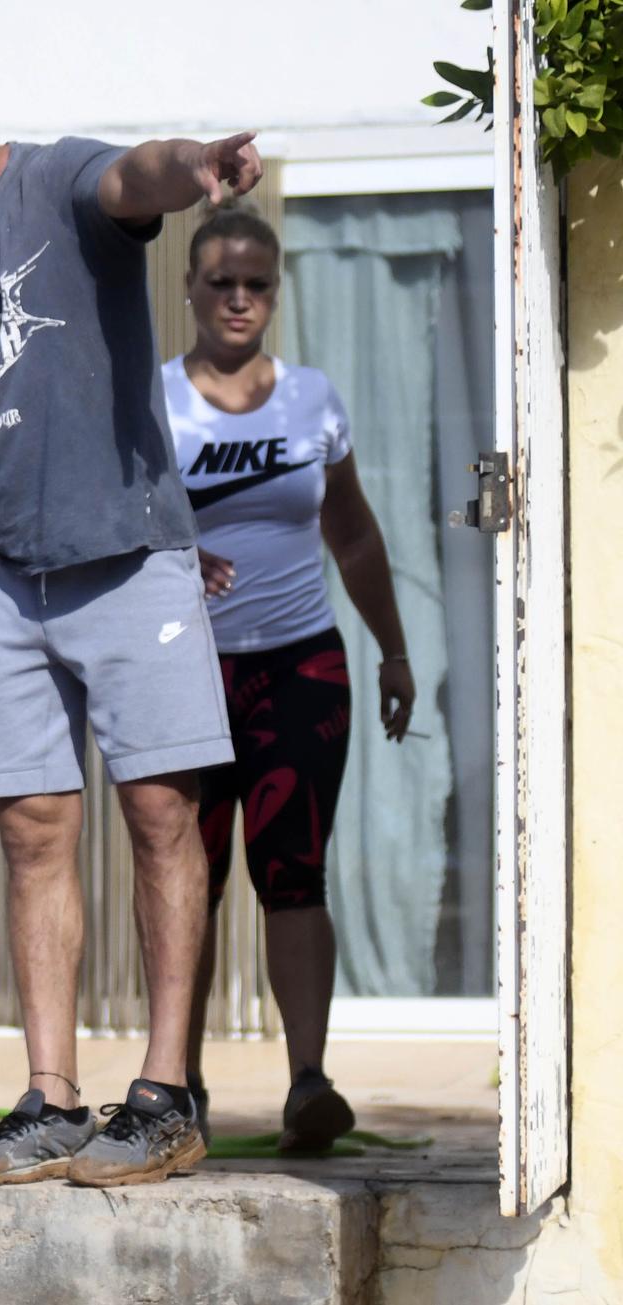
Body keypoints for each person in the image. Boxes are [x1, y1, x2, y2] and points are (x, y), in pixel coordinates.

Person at [0, 36, 261, 1188]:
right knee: (29, 832)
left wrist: (198, 170)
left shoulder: (55, 184)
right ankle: (51, 1098)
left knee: (163, 815)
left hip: (128, 558)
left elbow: (139, 178)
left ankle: (163, 1096)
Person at [167, 208, 415, 1152]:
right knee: (184, 877)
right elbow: (113, 529)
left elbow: (351, 532)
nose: (239, 298)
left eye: (257, 284)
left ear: (276, 292)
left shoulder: (312, 398)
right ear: (190, 288)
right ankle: (174, 1084)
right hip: (182, 673)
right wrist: (176, 558)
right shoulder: (154, 401)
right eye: (222, 282)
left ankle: (309, 1081)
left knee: (294, 872)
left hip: (301, 663)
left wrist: (392, 649)